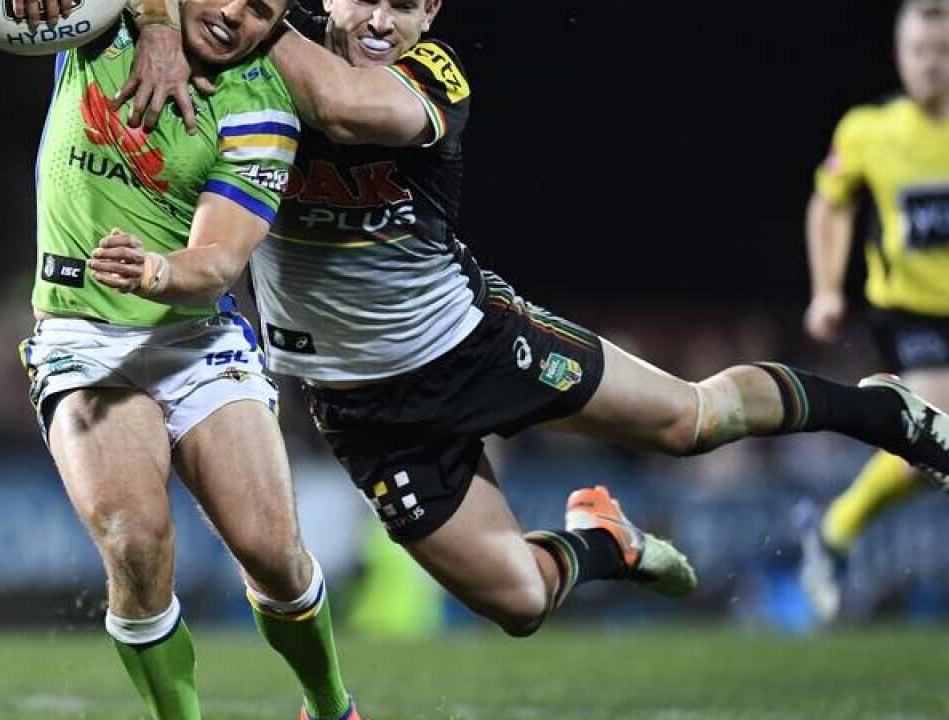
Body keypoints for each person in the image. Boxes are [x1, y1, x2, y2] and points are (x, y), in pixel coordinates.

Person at [125, 0, 949, 640]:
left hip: (472, 346)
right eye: (367, 0)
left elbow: (342, 109)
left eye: (404, 6)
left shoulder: (429, 75)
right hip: (359, 405)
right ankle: (605, 542)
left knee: (693, 423)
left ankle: (881, 411)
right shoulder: (259, 47)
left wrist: (245, 20)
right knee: (519, 604)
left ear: (430, 15)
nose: (381, 21)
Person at [14, 1, 360, 718]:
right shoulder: (104, 25)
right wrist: (153, 26)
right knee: (136, 542)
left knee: (274, 555)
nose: (233, 13)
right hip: (81, 339)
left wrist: (157, 270)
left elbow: (221, 258)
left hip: (194, 338)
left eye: (261, 10)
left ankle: (330, 708)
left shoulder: (263, 104)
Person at [797, 0, 949, 623]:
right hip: (910, 313)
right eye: (919, 51)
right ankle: (835, 531)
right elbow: (829, 202)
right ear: (899, 56)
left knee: (927, 458)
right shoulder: (869, 130)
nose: (930, 64)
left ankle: (831, 530)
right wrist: (827, 288)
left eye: (942, 52)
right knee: (940, 424)